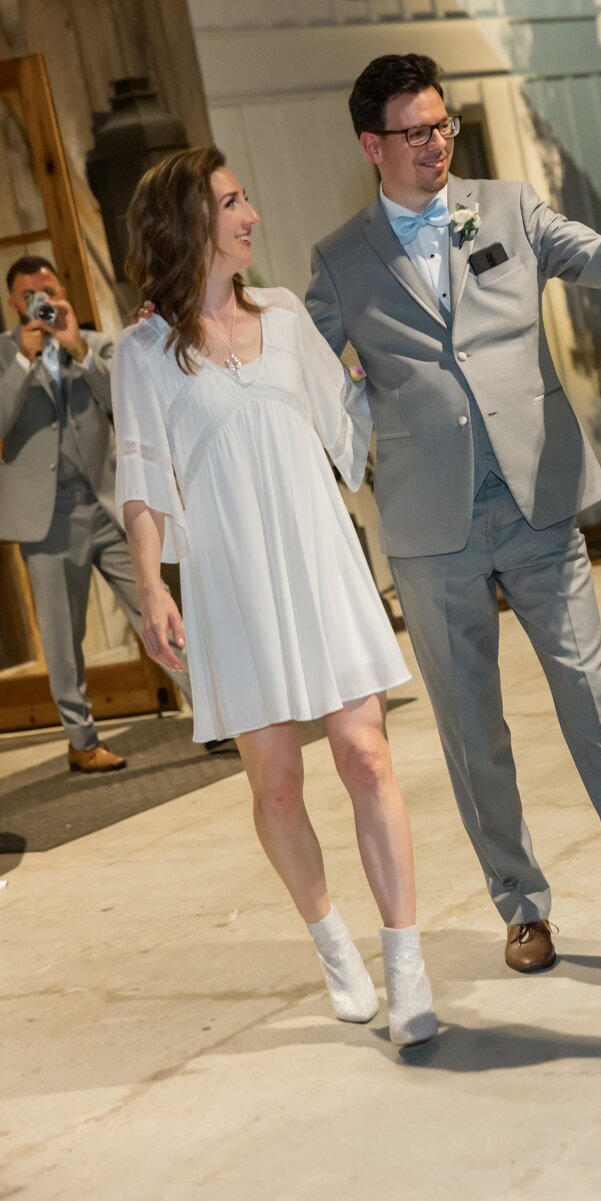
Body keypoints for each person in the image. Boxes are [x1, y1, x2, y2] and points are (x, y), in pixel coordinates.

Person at [306, 53, 601, 973]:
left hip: (536, 502)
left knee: (595, 704)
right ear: (373, 144)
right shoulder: (338, 261)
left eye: (445, 126)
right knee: (473, 730)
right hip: (427, 526)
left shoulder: (512, 206)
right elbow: (309, 382)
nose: (438, 144)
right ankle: (522, 907)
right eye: (416, 133)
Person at [114, 147, 436, 1045]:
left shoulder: (288, 317)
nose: (250, 212)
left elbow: (348, 425)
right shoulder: (141, 351)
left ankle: (406, 963)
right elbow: (140, 481)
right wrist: (151, 588)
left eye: (247, 194)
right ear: (188, 224)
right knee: (279, 782)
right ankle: (331, 937)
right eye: (229, 200)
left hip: (318, 557)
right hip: (232, 581)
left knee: (365, 754)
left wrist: (397, 370)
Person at [0, 256, 192, 773]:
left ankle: (214, 711)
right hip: (47, 519)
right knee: (62, 639)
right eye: (27, 296)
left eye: (48, 290)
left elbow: (125, 401)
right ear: (13, 304)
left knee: (158, 607)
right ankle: (82, 740)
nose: (40, 303)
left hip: (110, 508)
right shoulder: (3, 355)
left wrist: (78, 348)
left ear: (62, 290)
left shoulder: (98, 343)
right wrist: (21, 361)